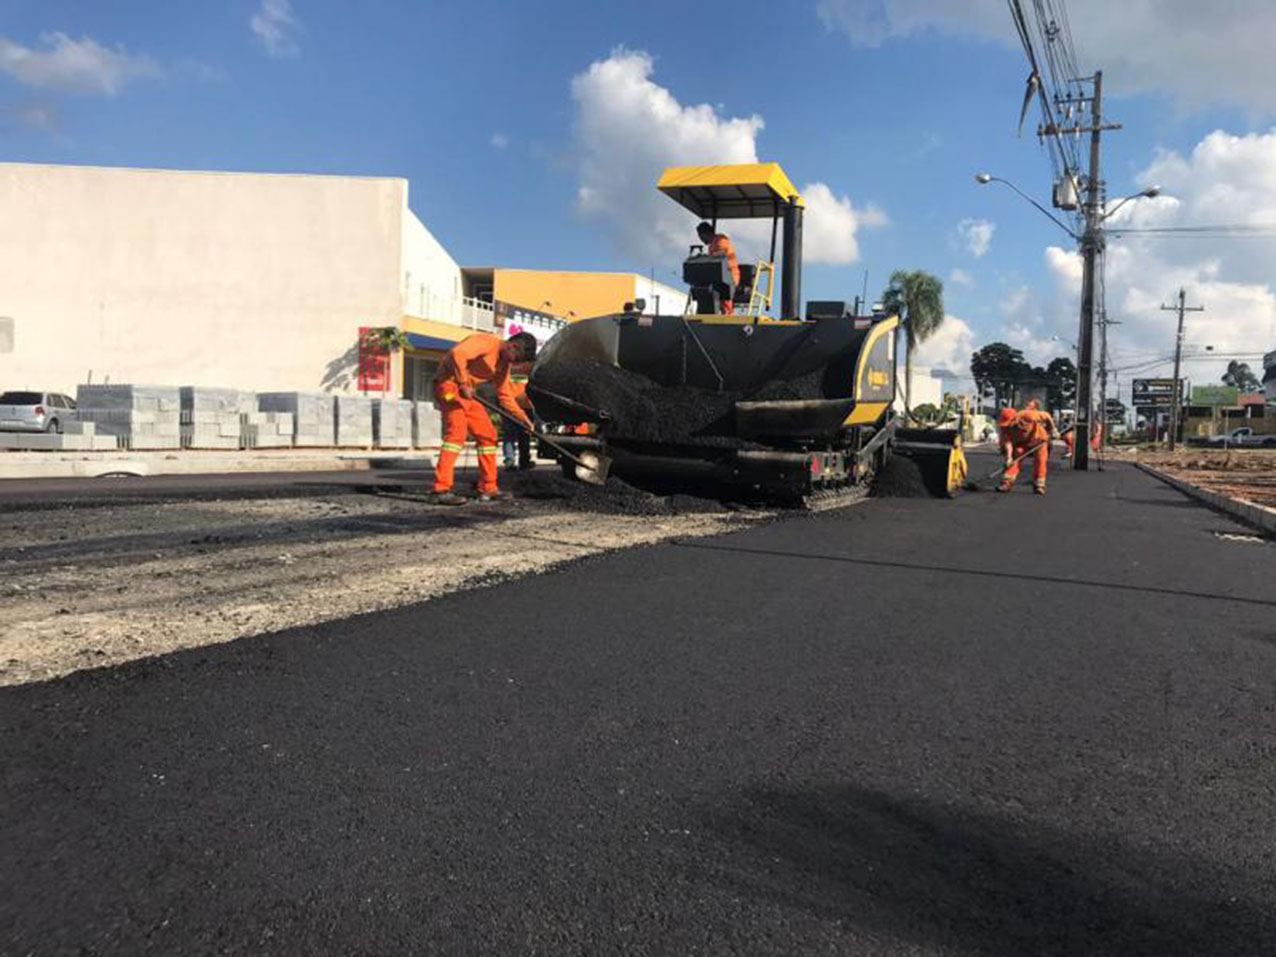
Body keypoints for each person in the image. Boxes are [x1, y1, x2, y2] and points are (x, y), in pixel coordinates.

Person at [432, 331, 537, 505]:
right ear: (513, 346)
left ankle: (488, 488)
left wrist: (524, 419)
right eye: (516, 359)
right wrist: (463, 383)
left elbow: (505, 396)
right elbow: (457, 354)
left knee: (488, 436)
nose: (514, 363)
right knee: (456, 434)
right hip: (448, 389)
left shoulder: (503, 365)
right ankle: (440, 489)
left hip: (467, 394)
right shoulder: (486, 342)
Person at [997, 403, 1059, 495]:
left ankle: (1039, 485)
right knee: (1015, 458)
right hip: (1022, 443)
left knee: (1040, 460)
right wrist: (1008, 458)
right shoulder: (1005, 427)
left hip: (1038, 440)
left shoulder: (1027, 415)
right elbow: (1008, 442)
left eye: (1009, 422)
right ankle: (1006, 483)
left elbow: (1047, 416)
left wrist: (1052, 430)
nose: (1008, 425)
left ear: (1015, 419)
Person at [696, 221, 740, 315]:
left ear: (706, 233)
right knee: (703, 288)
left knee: (723, 294)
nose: (700, 239)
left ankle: (728, 316)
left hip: (729, 276)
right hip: (719, 276)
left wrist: (705, 258)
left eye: (700, 236)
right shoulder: (712, 245)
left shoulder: (721, 240)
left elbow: (720, 255)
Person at [502, 364, 535, 470]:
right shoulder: (529, 366)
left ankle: (510, 461)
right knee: (524, 434)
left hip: (509, 404)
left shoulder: (506, 366)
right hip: (525, 405)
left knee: (509, 435)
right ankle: (524, 461)